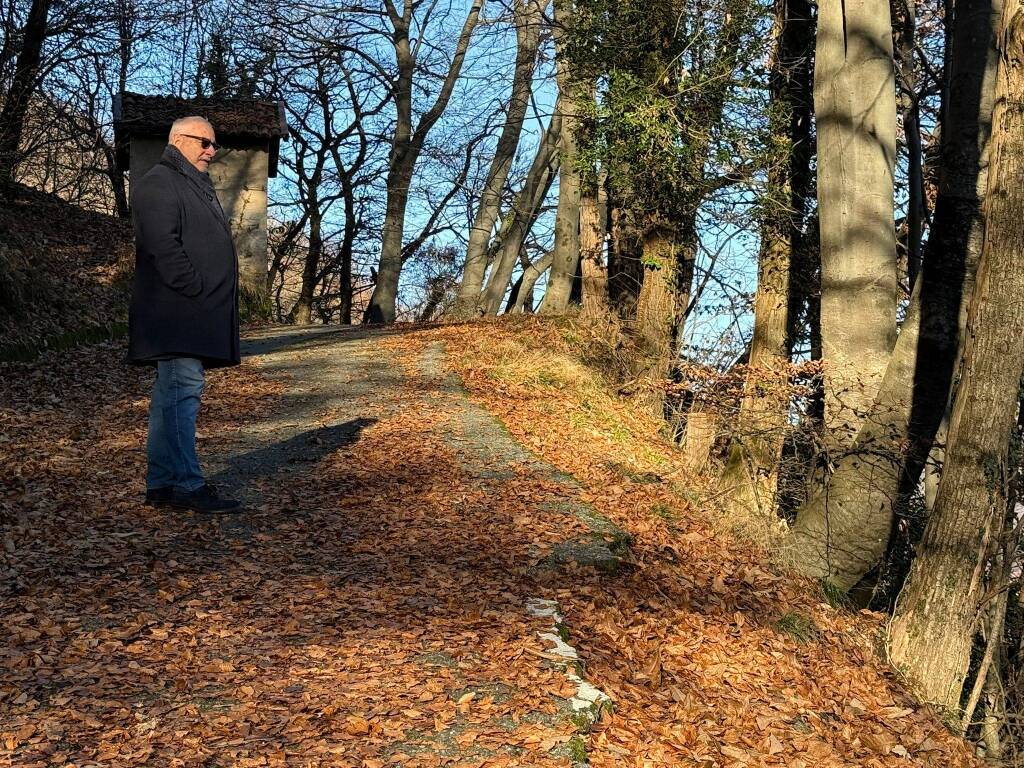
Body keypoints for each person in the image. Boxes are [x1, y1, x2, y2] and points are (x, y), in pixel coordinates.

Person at [127, 115, 241, 513]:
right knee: (181, 397)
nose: (212, 151)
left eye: (214, 144)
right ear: (178, 139)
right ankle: (188, 488)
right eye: (204, 142)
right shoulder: (159, 182)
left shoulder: (189, 182)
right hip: (177, 314)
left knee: (168, 400)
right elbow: (163, 247)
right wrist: (196, 288)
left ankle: (161, 485)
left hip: (188, 314)